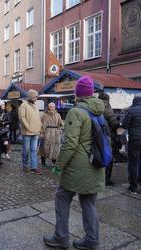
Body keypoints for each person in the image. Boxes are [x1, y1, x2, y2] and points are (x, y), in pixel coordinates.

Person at [44, 76, 105, 250]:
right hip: (96, 163)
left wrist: (58, 166)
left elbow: (70, 144)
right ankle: (92, 240)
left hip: (78, 166)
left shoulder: (76, 112)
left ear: (78, 94)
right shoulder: (99, 111)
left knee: (62, 197)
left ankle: (61, 237)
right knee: (88, 203)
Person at [98, 92, 120, 186]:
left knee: (97, 156)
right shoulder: (107, 108)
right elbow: (115, 124)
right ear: (107, 99)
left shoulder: (95, 107)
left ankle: (97, 177)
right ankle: (107, 179)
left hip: (96, 136)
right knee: (108, 157)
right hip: (107, 137)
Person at [18, 89, 42, 174]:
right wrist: (28, 127)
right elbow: (22, 117)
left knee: (34, 150)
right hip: (27, 132)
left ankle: (34, 167)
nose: (36, 98)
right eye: (35, 96)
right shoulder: (23, 105)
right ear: (31, 97)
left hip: (36, 132)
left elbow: (38, 118)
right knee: (26, 149)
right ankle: (25, 165)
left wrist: (40, 127)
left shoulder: (35, 106)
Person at [121, 93, 141, 194]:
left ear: (134, 100)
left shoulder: (132, 110)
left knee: (133, 163)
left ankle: (133, 187)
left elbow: (124, 125)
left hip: (134, 140)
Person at [41, 102, 63, 167]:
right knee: (45, 147)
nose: (52, 108)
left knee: (55, 148)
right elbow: (42, 125)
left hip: (56, 133)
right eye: (50, 107)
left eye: (53, 107)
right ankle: (43, 160)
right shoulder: (44, 115)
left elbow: (61, 124)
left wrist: (60, 130)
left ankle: (54, 162)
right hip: (47, 133)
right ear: (48, 107)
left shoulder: (58, 115)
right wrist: (42, 133)